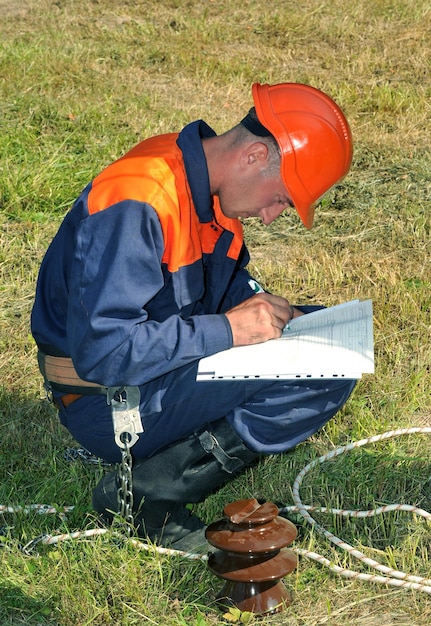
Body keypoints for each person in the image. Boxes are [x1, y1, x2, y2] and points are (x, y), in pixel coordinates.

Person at [31, 82, 356, 552]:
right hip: (104, 402)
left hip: (154, 374)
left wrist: (278, 316)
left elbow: (220, 293)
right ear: (254, 156)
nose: (270, 216)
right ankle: (146, 498)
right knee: (315, 367)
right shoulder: (138, 199)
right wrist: (229, 329)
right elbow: (106, 354)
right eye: (282, 199)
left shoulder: (207, 196)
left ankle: (163, 469)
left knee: (330, 348)